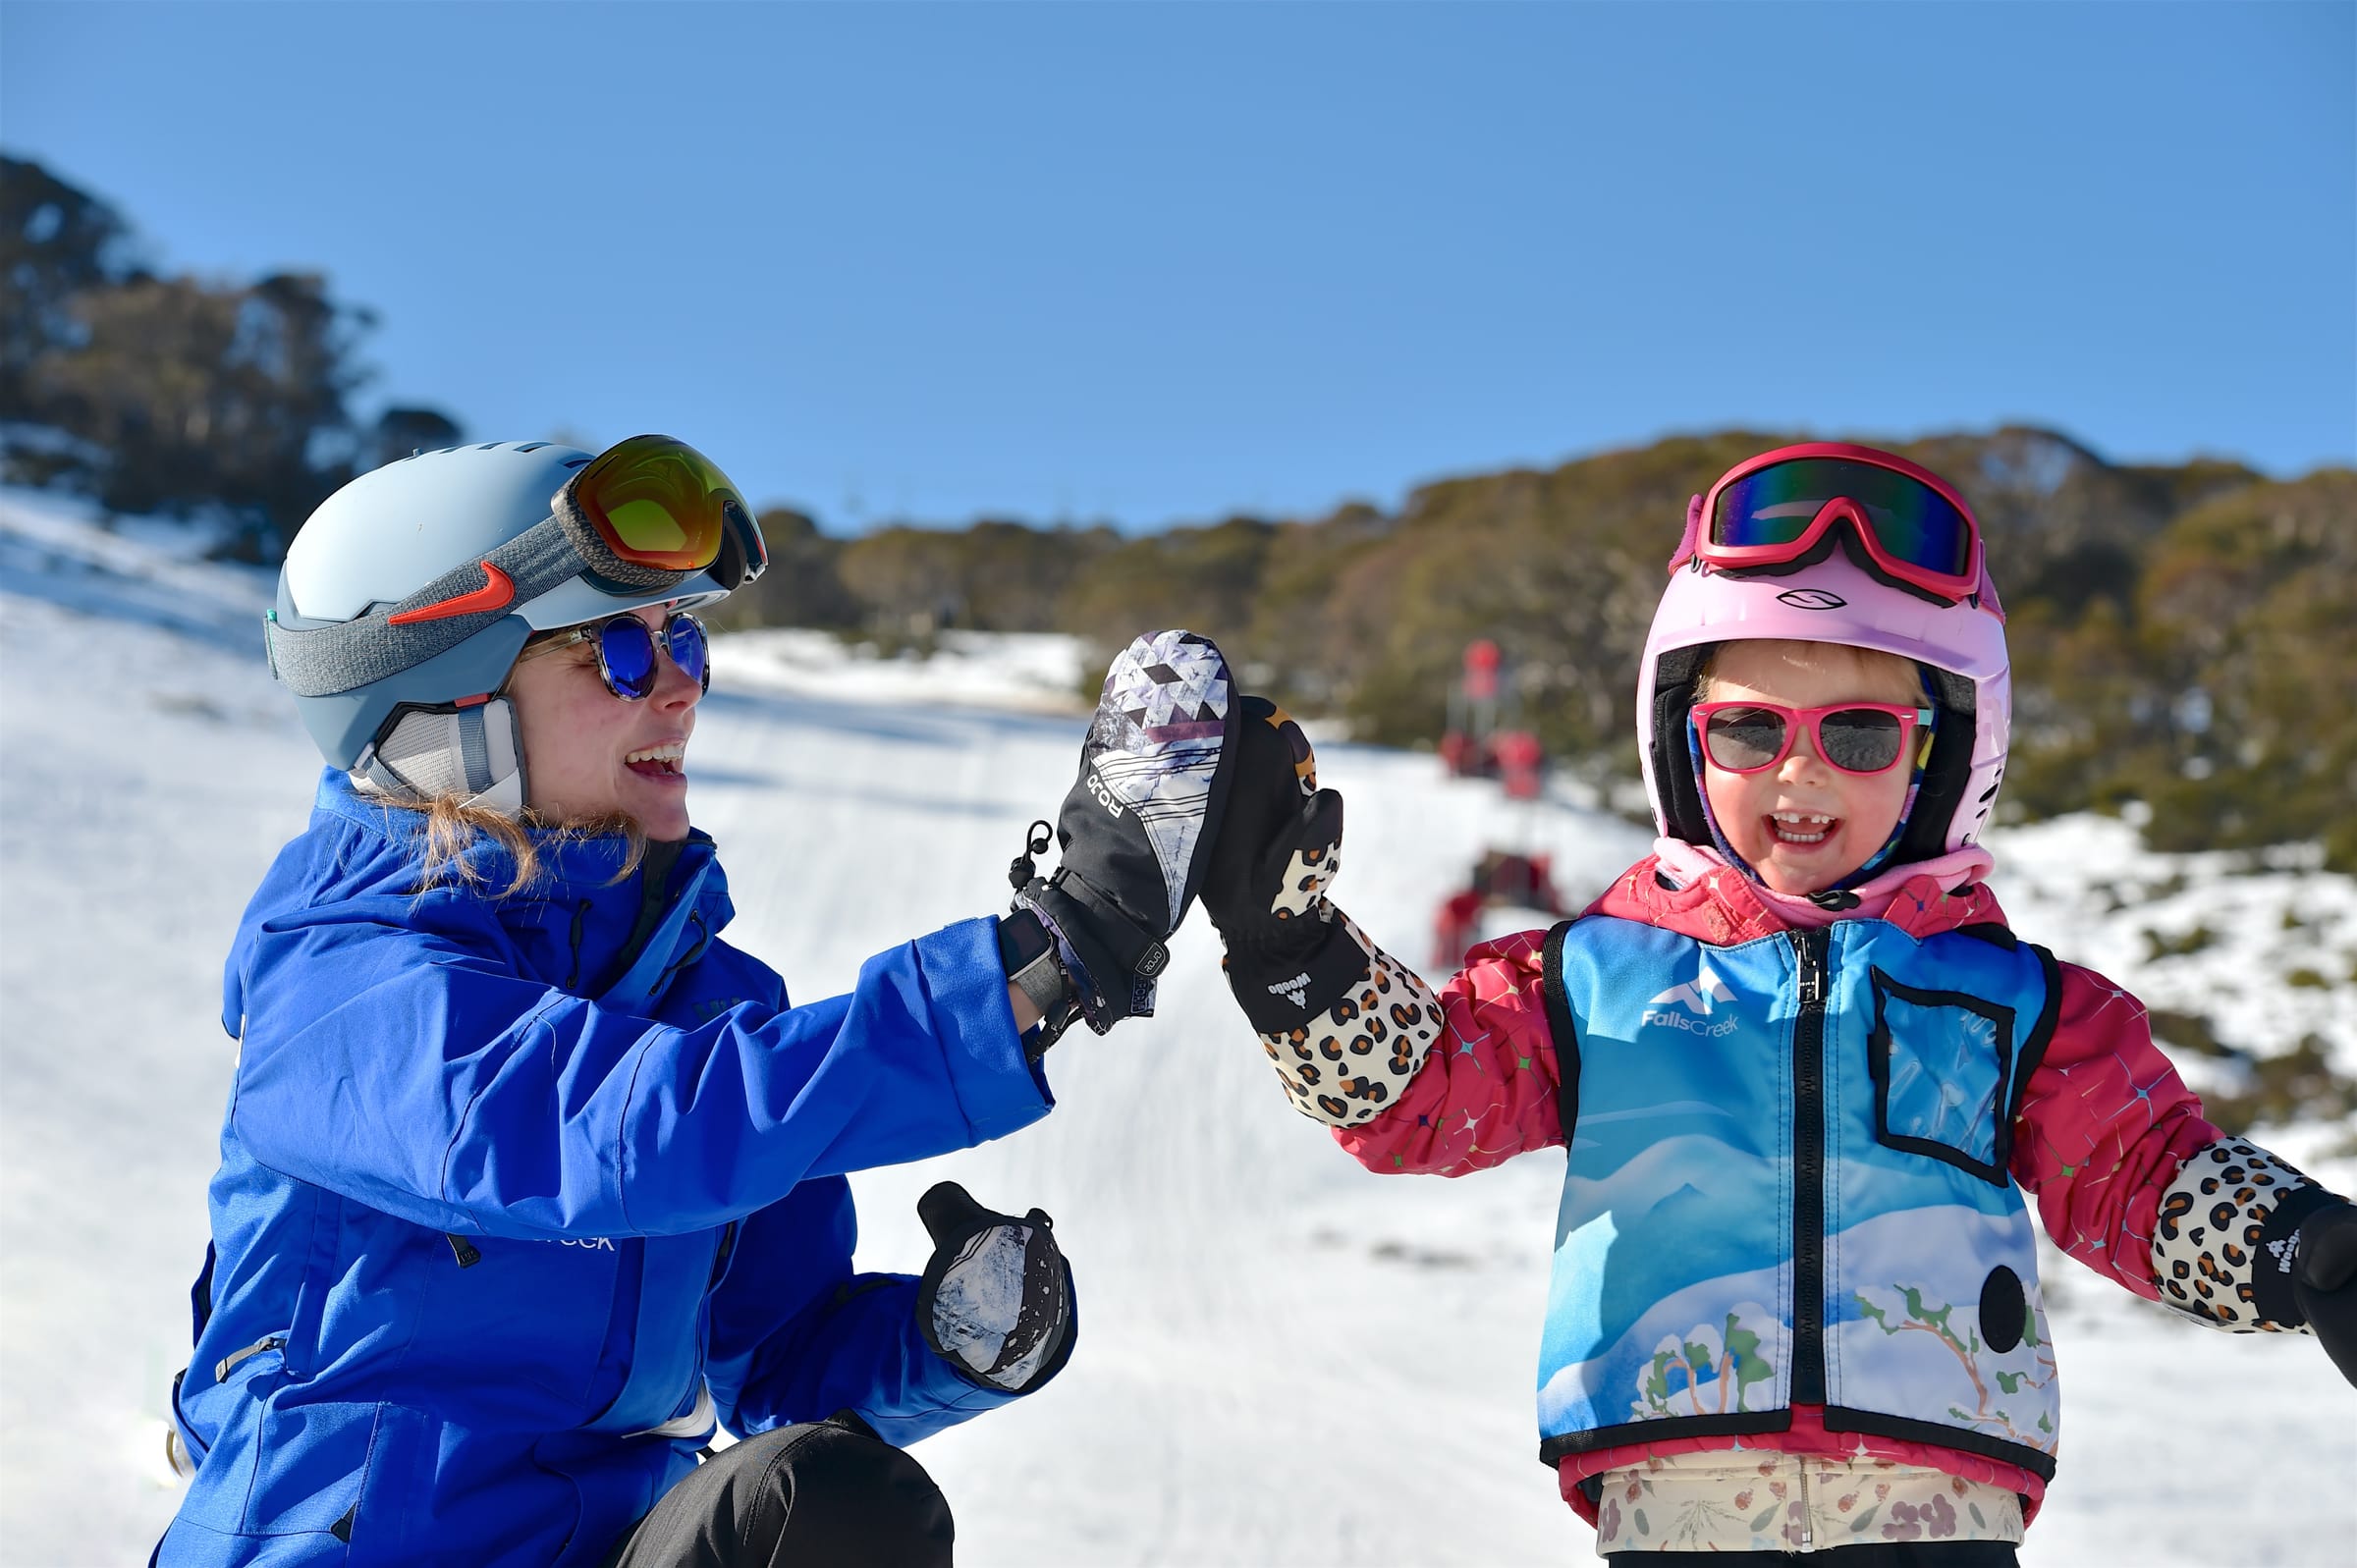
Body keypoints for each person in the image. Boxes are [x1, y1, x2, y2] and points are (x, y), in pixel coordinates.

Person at [1198, 443, 2357, 1562]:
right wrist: (1293, 953)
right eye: (1750, 728)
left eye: (1858, 733)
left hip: (1936, 1513)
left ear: (1945, 756)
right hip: (1683, 1507)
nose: (1799, 772)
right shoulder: (1595, 979)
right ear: (1683, 742)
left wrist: (2303, 1248)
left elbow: (2139, 1174)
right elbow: (1420, 1094)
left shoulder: (2013, 1004)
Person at [157, 436, 1246, 1566]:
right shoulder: (339, 968)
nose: (681, 684)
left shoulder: (707, 1001)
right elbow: (608, 1132)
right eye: (618, 651)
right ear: (446, 695)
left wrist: (945, 1342)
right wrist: (1037, 966)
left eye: (683, 635)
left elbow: (773, 1357)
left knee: (831, 1504)